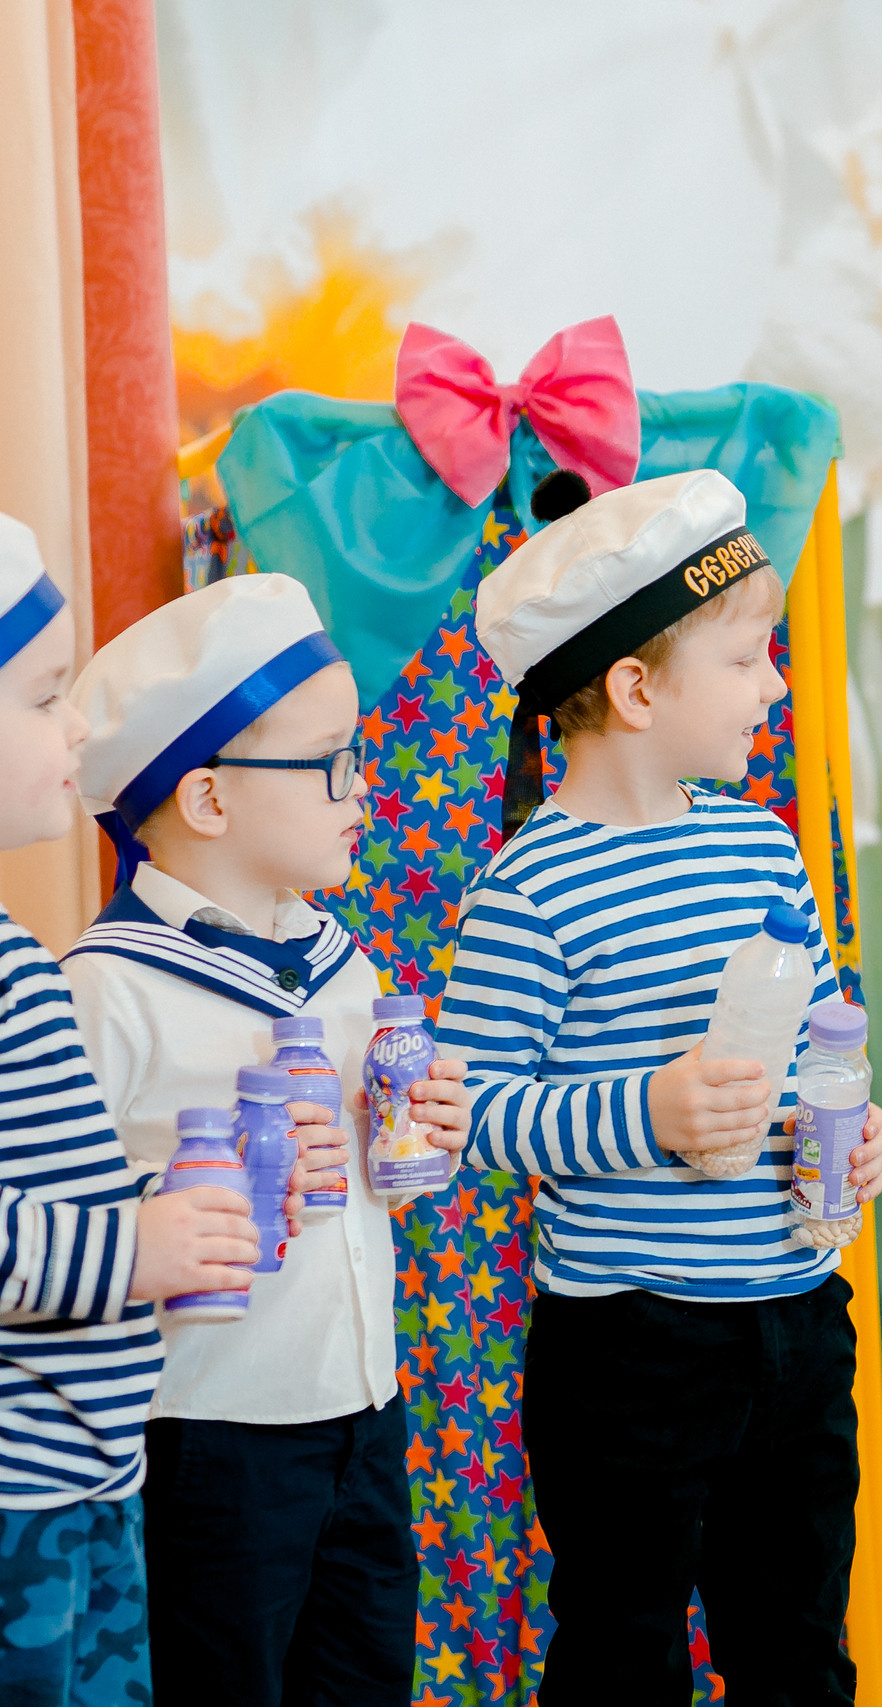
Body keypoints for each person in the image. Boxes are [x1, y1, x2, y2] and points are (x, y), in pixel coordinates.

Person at [437, 467, 882, 1707]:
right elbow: (473, 1113)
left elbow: (814, 1039)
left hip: (797, 1316)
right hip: (630, 1349)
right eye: (749, 660)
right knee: (623, 1652)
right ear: (636, 689)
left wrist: (847, 1128)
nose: (776, 686)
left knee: (798, 1646)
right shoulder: (528, 893)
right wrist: (649, 1112)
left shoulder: (757, 844)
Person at [63, 571, 473, 1707]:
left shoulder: (347, 964)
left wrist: (425, 1132)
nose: (363, 788)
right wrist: (200, 1181)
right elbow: (73, 1229)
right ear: (207, 800)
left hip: (362, 1412)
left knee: (361, 1673)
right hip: (210, 1439)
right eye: (331, 762)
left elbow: (378, 1184)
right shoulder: (107, 993)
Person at [0, 514, 260, 1703]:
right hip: (20, 1493)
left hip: (84, 1474)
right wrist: (134, 1246)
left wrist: (161, 1214)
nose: (77, 729)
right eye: (45, 697)